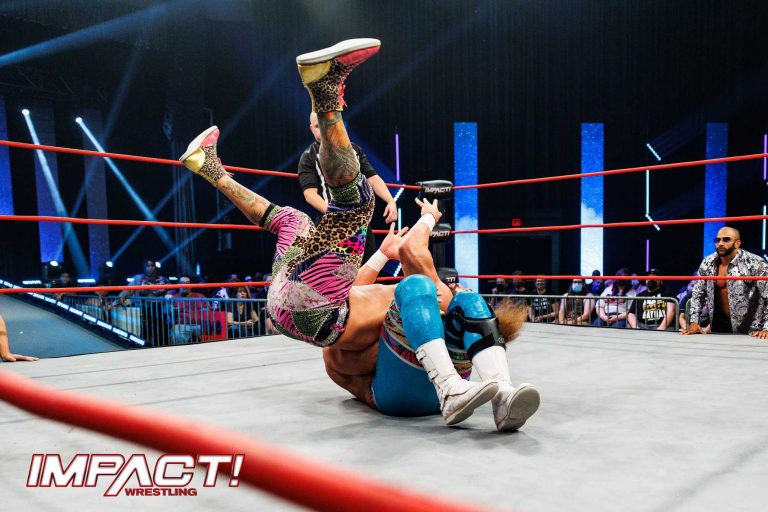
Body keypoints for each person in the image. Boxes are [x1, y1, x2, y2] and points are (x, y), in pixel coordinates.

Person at [179, 36, 540, 427]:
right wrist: (384, 252)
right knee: (294, 220)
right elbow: (368, 286)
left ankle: (323, 92)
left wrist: (427, 220)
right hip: (316, 313)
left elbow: (412, 254)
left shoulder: (424, 296)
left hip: (321, 319)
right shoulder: (410, 310)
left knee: (355, 217)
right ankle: (209, 166)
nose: (455, 289)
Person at [298, 112, 397, 262]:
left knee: (368, 269)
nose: (323, 129)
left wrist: (390, 200)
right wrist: (338, 214)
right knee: (340, 273)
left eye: (326, 124)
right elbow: (310, 195)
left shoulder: (354, 149)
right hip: (332, 224)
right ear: (312, 129)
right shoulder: (308, 156)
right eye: (318, 126)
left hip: (361, 222)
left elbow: (372, 178)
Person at [681, 226, 768, 338]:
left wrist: (767, 328)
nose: (720, 243)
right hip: (718, 327)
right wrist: (694, 322)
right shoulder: (708, 262)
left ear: (737, 243)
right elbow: (698, 294)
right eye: (718, 240)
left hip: (751, 329)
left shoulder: (755, 263)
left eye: (726, 239)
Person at [167, 275, 207, 344]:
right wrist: (168, 302)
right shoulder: (173, 297)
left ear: (191, 285)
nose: (185, 285)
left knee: (212, 332)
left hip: (200, 325)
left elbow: (209, 311)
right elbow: (166, 312)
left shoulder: (201, 296)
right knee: (176, 334)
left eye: (187, 283)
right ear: (178, 284)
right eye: (182, 283)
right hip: (182, 325)